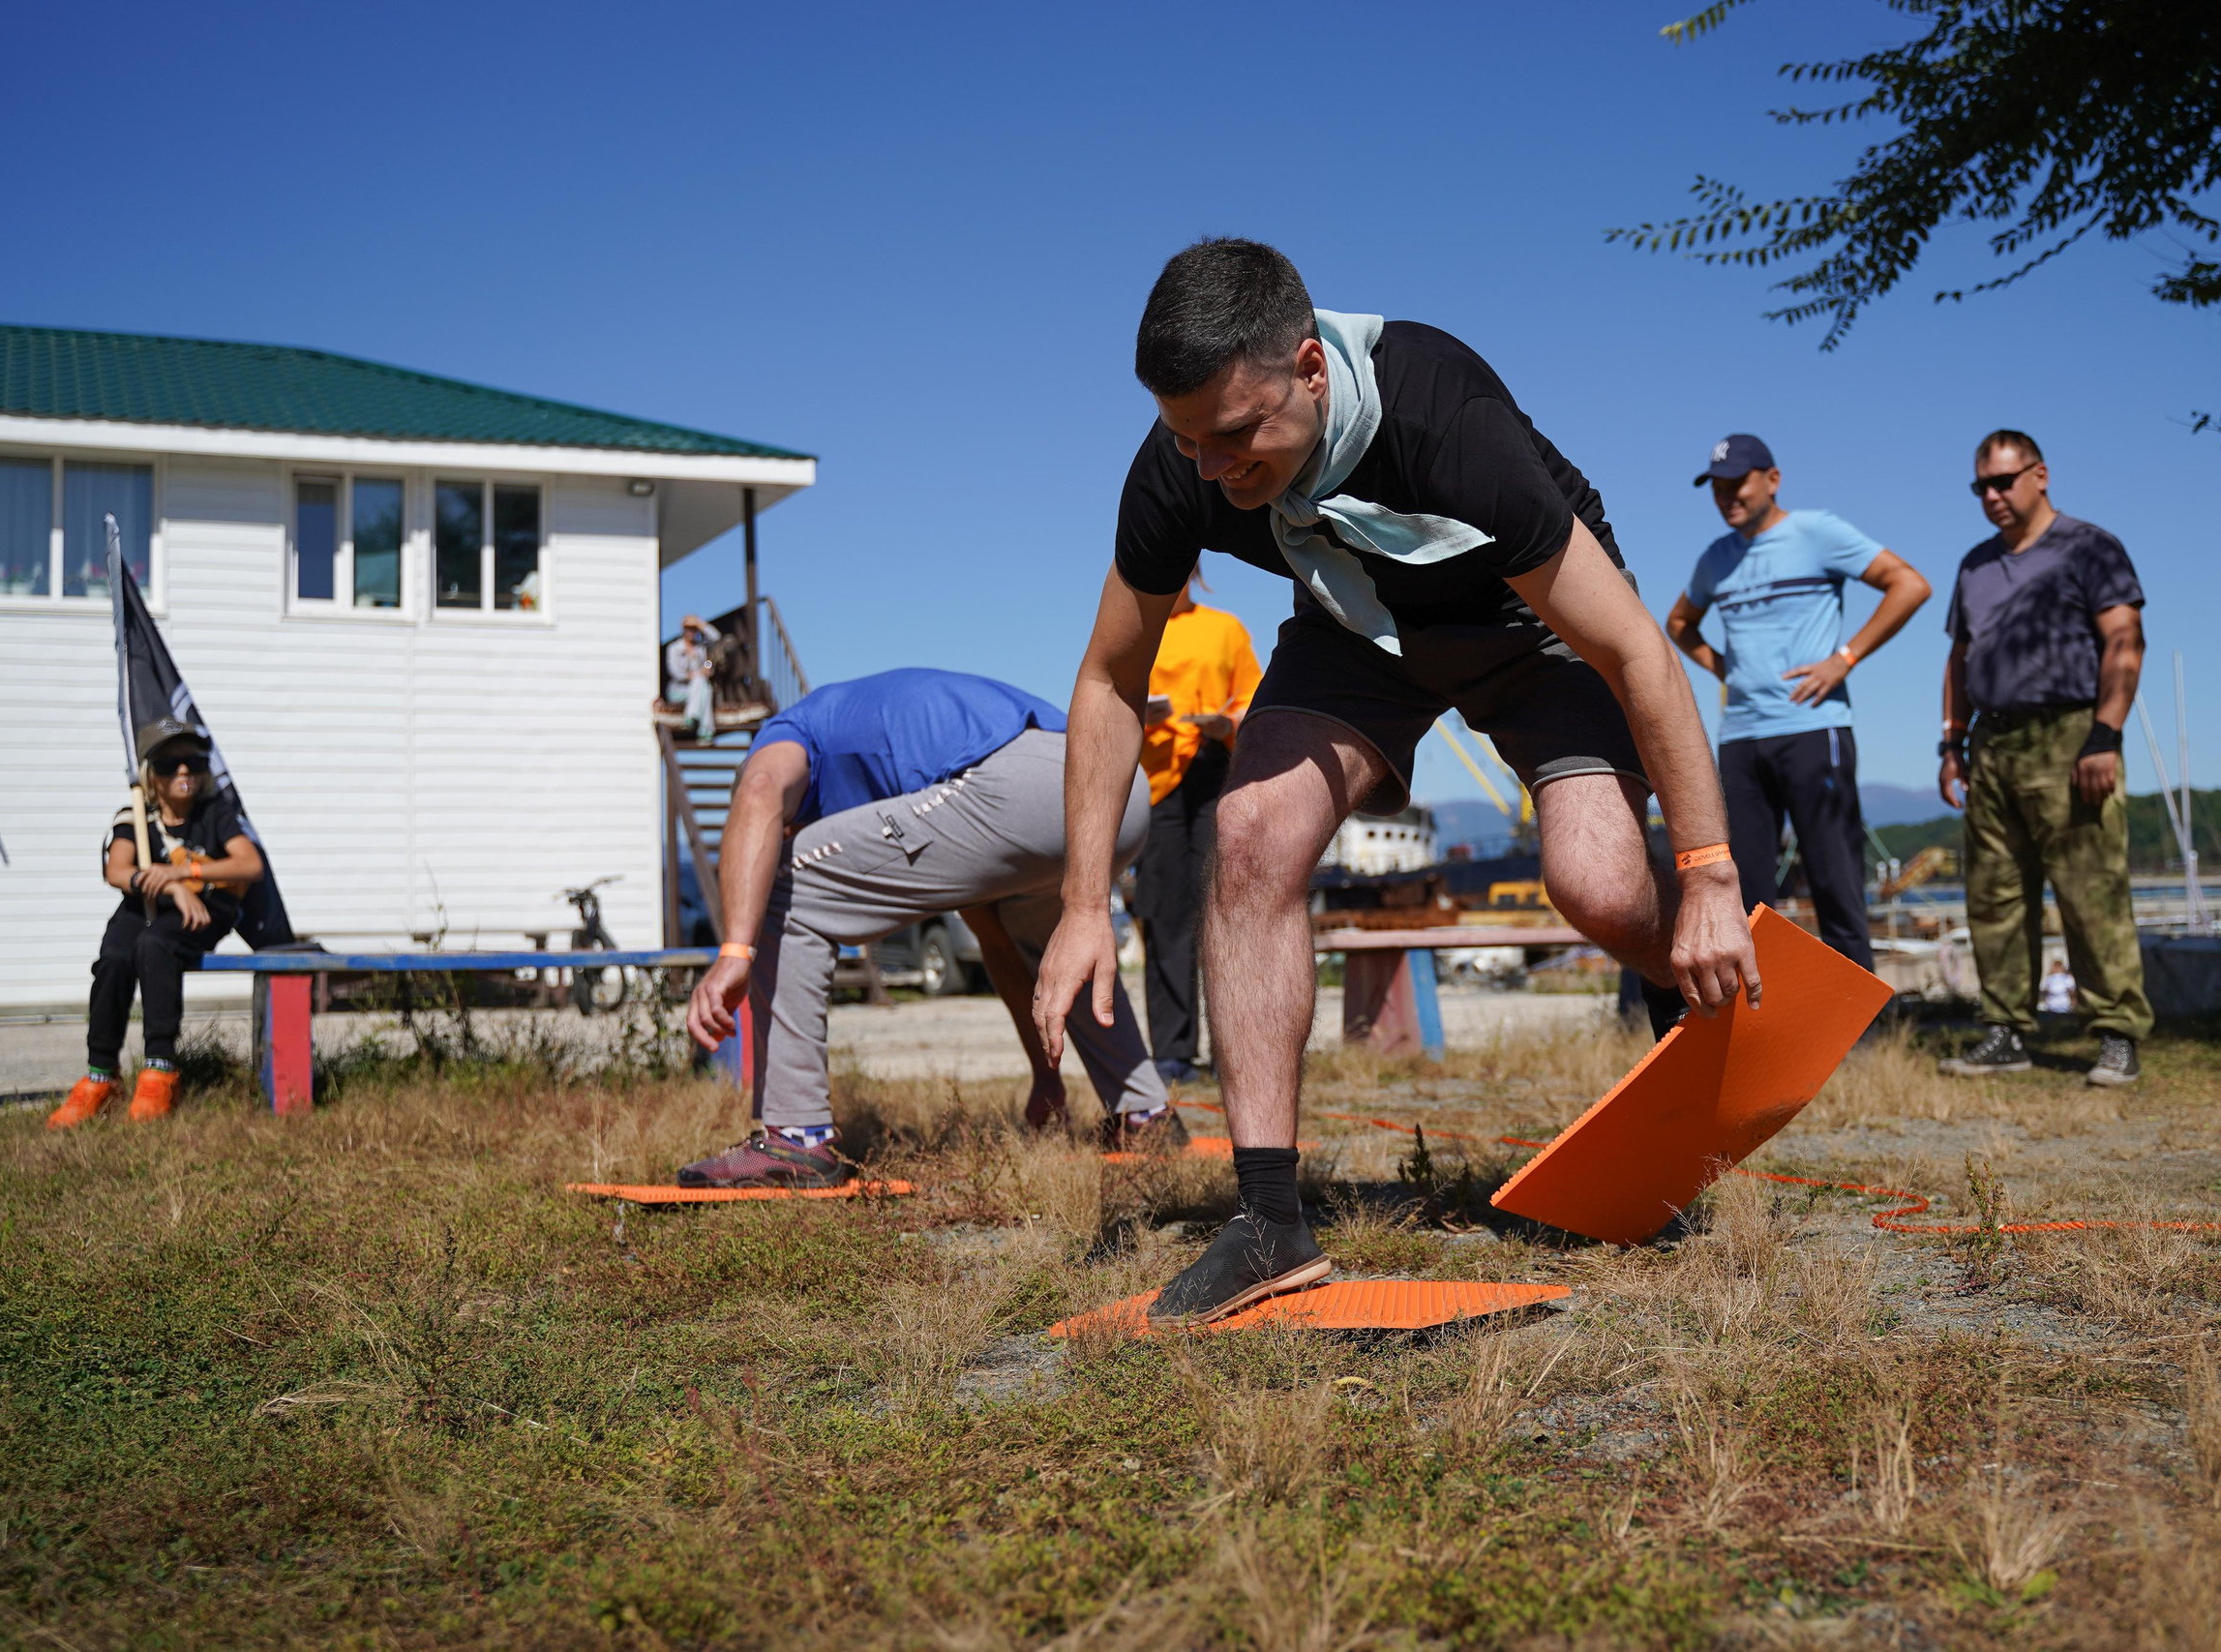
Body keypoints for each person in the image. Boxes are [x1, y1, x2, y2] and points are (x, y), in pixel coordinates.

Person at [1033, 238, 1761, 1326]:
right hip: (1355, 630)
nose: (1213, 469)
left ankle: (1705, 997)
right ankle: (1269, 1222)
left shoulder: (1443, 416)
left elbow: (1637, 654)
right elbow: (1107, 678)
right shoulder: (1181, 463)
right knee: (1248, 834)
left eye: (1238, 436)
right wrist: (1082, 904)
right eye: (1189, 441)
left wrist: (1706, 878)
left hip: (1531, 625)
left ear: (1312, 370)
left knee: (1600, 888)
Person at [679, 668, 1177, 1187]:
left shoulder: (792, 732)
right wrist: (1046, 1076)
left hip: (1024, 786)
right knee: (1031, 929)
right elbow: (997, 945)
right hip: (1115, 784)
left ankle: (795, 1138)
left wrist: (736, 951)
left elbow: (758, 790)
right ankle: (1144, 1113)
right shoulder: (906, 746)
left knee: (785, 884)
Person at [1666, 434, 1932, 976]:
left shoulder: (1817, 532)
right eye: (1716, 488)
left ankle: (1862, 1031)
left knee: (1836, 883)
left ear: (1772, 479)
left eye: (1737, 483)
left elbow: (1909, 585)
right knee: (1743, 892)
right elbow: (1678, 625)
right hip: (1740, 738)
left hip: (1815, 730)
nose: (1727, 496)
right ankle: (1755, 1031)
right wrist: (1724, 668)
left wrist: (1845, 658)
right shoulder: (1715, 559)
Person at [1935, 431, 2151, 1087]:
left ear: (2041, 475)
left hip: (2070, 735)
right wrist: (1952, 742)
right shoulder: (1974, 565)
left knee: (2090, 891)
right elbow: (1959, 658)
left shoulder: (2090, 547)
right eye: (1982, 487)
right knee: (1994, 894)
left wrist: (2104, 736)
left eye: (2003, 482)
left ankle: (2116, 1032)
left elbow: (2124, 639)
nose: (1993, 496)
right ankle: (2005, 1031)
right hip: (1992, 744)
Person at [48, 718, 265, 1127]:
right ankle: (101, 1076)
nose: (183, 772)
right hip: (144, 906)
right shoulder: (134, 816)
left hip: (203, 909)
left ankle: (160, 1070)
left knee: (154, 947)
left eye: (194, 762)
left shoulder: (216, 813)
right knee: (115, 957)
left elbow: (250, 865)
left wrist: (184, 876)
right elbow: (117, 871)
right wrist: (168, 889)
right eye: (169, 765)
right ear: (151, 774)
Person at [1132, 573, 1262, 1083]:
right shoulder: (1136, 629)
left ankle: (1236, 1048)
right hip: (1156, 779)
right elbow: (1109, 689)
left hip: (1215, 772)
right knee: (1164, 913)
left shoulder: (1226, 630)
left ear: (1197, 575)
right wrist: (1139, 711)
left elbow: (1252, 696)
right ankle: (1172, 1053)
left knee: (1222, 908)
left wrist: (1227, 723)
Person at [662, 615, 720, 741]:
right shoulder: (674, 648)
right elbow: (676, 673)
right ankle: (705, 730)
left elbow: (716, 637)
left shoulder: (701, 648)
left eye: (694, 629)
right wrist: (698, 673)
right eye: (688, 629)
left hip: (698, 691)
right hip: (678, 691)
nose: (690, 632)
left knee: (705, 688)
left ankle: (693, 719)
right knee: (701, 683)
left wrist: (700, 623)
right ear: (683, 630)